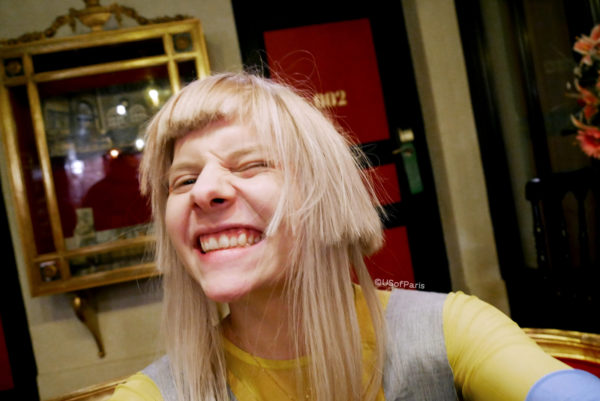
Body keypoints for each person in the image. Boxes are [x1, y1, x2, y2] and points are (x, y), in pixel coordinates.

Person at [109, 72, 600, 401]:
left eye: (250, 165)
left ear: (323, 196)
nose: (204, 191)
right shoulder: (154, 393)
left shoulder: (449, 331)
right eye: (184, 180)